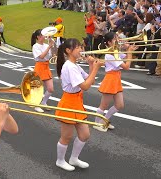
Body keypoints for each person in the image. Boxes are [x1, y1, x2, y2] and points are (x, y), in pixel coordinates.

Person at [55, 38, 103, 171]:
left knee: (85, 135)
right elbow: (86, 86)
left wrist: (92, 65)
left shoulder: (75, 65)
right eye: (78, 48)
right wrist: (96, 67)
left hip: (76, 101)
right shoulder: (70, 66)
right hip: (69, 102)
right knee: (67, 136)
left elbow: (90, 81)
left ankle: (74, 158)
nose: (81, 50)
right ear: (68, 51)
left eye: (81, 47)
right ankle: (60, 160)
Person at [93, 32, 137, 132]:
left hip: (116, 79)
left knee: (119, 105)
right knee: (103, 105)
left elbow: (127, 57)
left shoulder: (115, 52)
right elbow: (126, 66)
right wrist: (129, 51)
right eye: (114, 39)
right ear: (109, 42)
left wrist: (128, 48)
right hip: (110, 80)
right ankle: (96, 123)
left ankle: (104, 121)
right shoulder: (110, 55)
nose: (117, 40)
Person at [31, 29, 54, 113]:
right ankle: (36, 105)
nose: (44, 36)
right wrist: (49, 47)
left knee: (50, 88)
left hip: (46, 66)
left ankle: (44, 102)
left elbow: (51, 55)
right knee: (38, 88)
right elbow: (41, 56)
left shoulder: (46, 45)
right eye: (42, 35)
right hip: (39, 66)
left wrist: (51, 43)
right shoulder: (35, 46)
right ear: (38, 36)